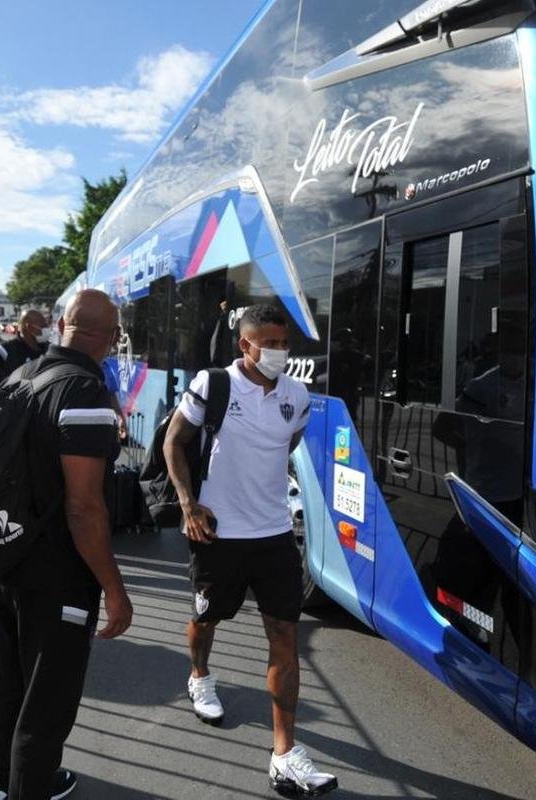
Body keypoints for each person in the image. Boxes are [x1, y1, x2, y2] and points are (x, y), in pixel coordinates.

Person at [164, 304, 337, 797]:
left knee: (284, 635)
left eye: (286, 344)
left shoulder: (297, 396)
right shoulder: (214, 384)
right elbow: (175, 442)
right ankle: (200, 675)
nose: (281, 352)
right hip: (217, 533)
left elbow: (287, 444)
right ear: (246, 344)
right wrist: (188, 504)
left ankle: (284, 754)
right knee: (208, 617)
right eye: (272, 344)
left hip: (274, 535)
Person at [0, 288, 132, 800]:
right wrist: (114, 589)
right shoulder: (86, 393)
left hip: (6, 556)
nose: (117, 340)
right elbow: (84, 507)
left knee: (12, 684)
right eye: (116, 331)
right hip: (56, 573)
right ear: (103, 336)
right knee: (47, 706)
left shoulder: (25, 374)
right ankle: (28, 789)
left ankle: (7, 784)